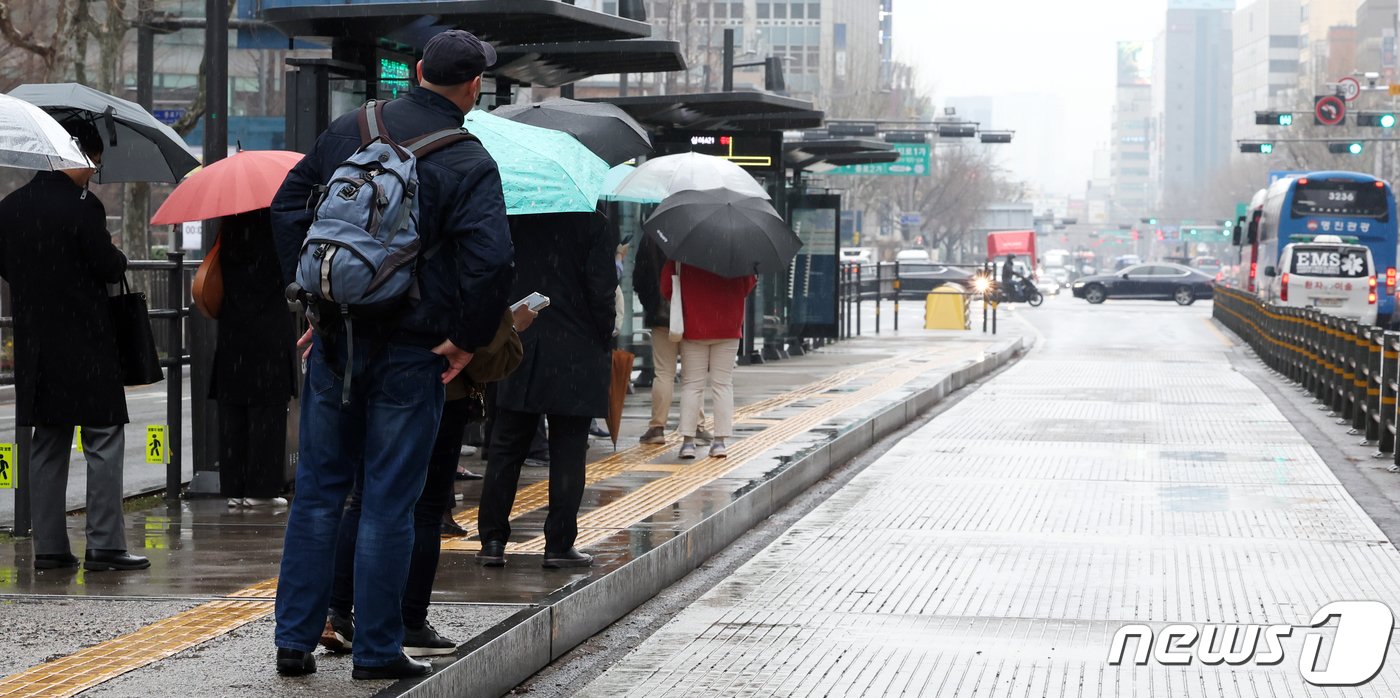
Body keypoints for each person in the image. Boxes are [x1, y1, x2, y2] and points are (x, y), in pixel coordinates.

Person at [269, 29, 514, 680]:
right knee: (387, 502)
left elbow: (289, 204)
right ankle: (376, 650)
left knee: (319, 494)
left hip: (336, 339)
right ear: (472, 88)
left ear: (413, 71)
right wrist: (464, 338)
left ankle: (293, 640)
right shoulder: (468, 160)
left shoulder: (353, 126)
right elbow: (492, 264)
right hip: (413, 349)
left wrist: (313, 291)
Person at [323, 306, 530, 658]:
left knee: (363, 499)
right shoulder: (458, 253)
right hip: (439, 384)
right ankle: (410, 623)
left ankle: (338, 614)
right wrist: (510, 324)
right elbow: (484, 353)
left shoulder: (385, 251)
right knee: (427, 507)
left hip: (370, 374)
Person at [0, 118, 149, 572]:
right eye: (95, 165)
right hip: (87, 342)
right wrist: (117, 254)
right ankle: (104, 545)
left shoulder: (10, 207)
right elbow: (107, 267)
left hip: (36, 343)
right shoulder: (84, 207)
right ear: (80, 155)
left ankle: (49, 548)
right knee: (103, 438)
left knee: (47, 441)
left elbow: (8, 268)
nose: (93, 174)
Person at [476, 211, 617, 569]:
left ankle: (492, 541)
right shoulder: (594, 223)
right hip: (576, 350)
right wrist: (603, 336)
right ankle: (558, 544)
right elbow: (601, 291)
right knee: (569, 451)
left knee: (506, 447)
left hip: (519, 341)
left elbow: (494, 271)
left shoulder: (515, 219)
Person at [211, 209, 295, 508]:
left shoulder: (228, 227)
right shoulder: (277, 229)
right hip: (268, 331)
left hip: (233, 331)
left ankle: (233, 487)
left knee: (233, 411)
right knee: (267, 412)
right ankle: (261, 490)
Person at [661, 261, 756, 460]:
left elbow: (667, 287)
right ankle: (719, 442)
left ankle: (688, 443)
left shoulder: (684, 252)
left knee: (692, 386)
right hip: (728, 327)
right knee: (722, 384)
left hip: (694, 327)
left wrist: (691, 301)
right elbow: (748, 286)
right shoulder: (737, 252)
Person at [632, 234, 708, 445]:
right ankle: (697, 426)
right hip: (692, 316)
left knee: (663, 373)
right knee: (693, 375)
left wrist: (653, 304)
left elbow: (639, 278)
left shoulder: (652, 236)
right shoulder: (700, 236)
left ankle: (657, 428)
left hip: (661, 317)